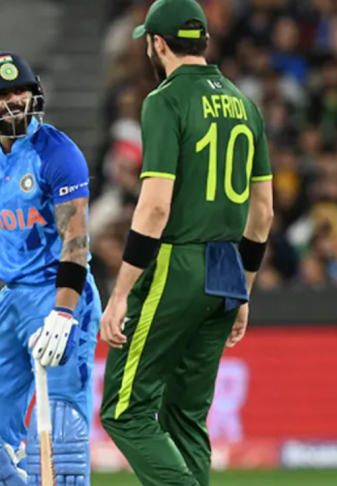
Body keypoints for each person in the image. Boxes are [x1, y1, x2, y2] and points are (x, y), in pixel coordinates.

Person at [98, 1, 275, 485]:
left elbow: (155, 208)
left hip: (179, 264)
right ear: (203, 41)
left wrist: (120, 292)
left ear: (157, 43)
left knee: (124, 411)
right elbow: (262, 213)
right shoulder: (245, 104)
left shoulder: (165, 100)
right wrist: (243, 289)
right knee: (186, 416)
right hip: (227, 271)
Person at [0, 51, 102, 486]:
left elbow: (76, 242)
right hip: (13, 299)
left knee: (62, 434)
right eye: (0, 95)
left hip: (61, 293)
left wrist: (64, 313)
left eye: (20, 91)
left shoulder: (59, 154)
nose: (13, 102)